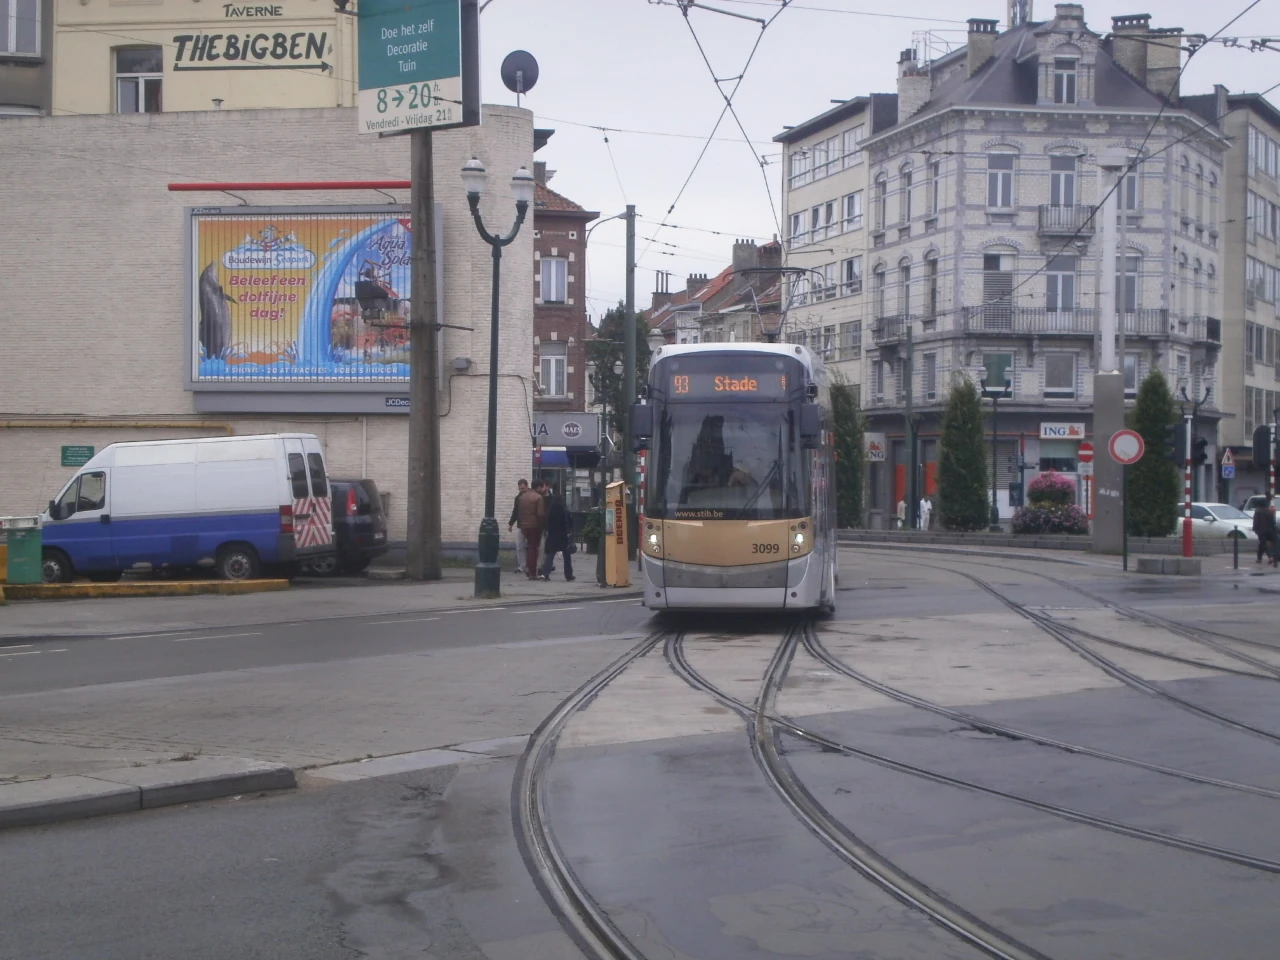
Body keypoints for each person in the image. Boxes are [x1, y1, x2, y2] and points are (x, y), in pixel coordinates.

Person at [539, 483, 576, 581]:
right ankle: (568, 575)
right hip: (563, 536)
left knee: (550, 555)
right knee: (567, 557)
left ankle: (545, 573)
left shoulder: (550, 512)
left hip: (552, 536)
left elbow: (547, 523)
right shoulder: (565, 511)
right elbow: (570, 523)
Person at [515, 479, 547, 579]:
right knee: (533, 548)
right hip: (535, 526)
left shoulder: (522, 497)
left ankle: (528, 568)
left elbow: (518, 512)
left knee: (528, 547)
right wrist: (543, 525)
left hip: (524, 526)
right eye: (542, 487)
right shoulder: (538, 497)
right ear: (538, 487)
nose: (543, 489)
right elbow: (540, 514)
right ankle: (532, 572)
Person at [508, 479, 530, 574]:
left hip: (530, 525)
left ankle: (530, 565)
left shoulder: (531, 497)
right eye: (520, 489)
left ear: (527, 486)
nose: (522, 490)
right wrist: (511, 523)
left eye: (523, 488)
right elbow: (515, 511)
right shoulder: (518, 498)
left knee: (531, 546)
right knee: (520, 546)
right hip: (521, 525)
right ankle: (522, 566)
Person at [1253, 496, 1277, 566]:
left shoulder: (1258, 511)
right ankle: (1259, 558)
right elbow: (1273, 522)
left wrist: (1255, 528)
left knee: (1263, 544)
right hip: (1270, 530)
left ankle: (1270, 557)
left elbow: (1256, 521)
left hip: (1261, 530)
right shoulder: (1269, 511)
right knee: (1262, 544)